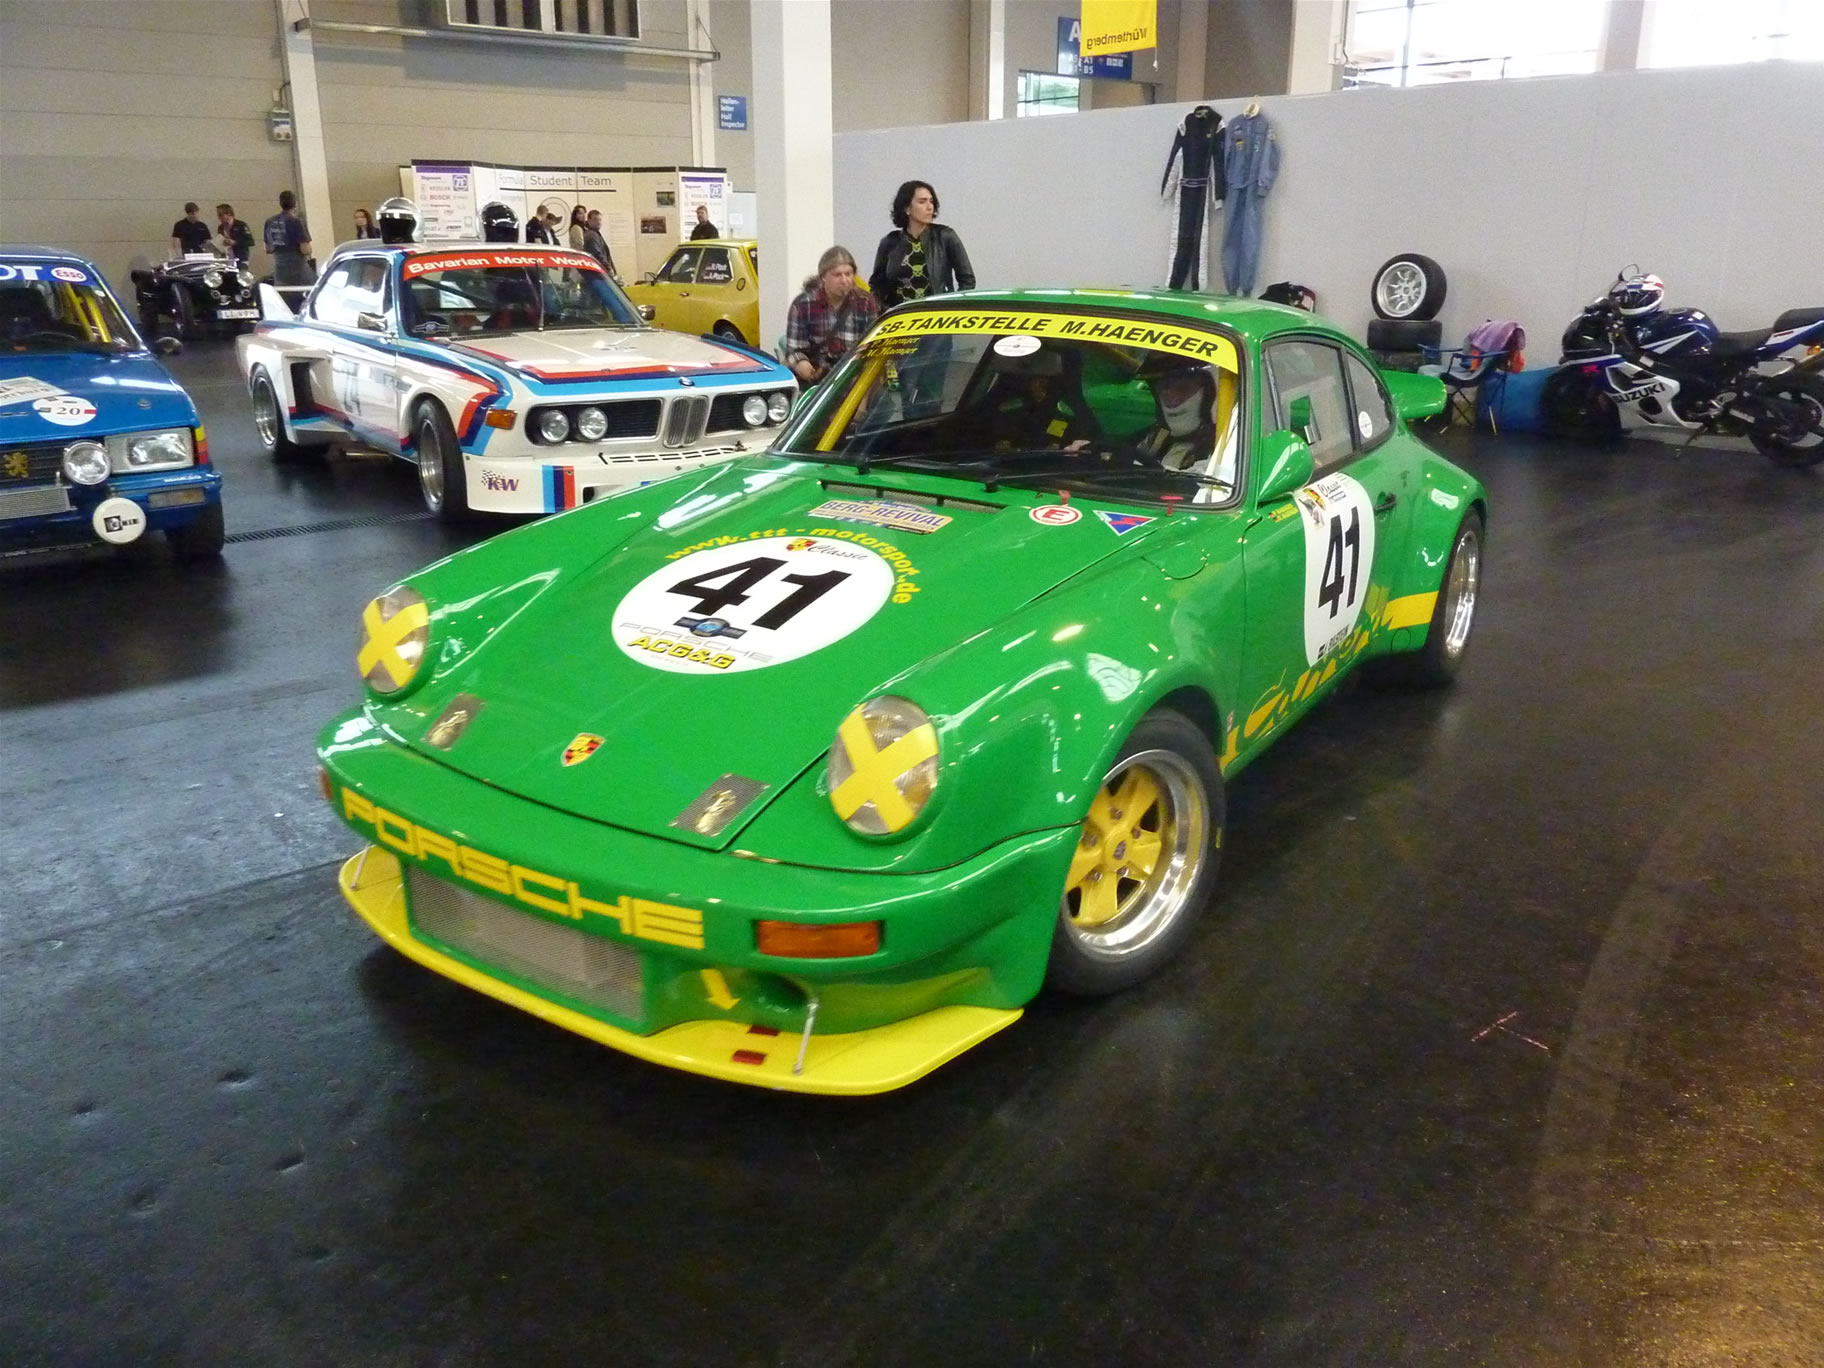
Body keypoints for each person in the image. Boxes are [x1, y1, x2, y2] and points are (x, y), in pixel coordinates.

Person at [869, 180, 974, 309]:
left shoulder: (945, 236)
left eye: (931, 201)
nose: (929, 207)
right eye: (922, 202)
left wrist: (953, 307)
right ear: (907, 208)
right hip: (899, 314)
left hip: (937, 313)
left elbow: (967, 279)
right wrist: (883, 310)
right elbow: (877, 285)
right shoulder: (890, 242)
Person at [784, 246, 879, 386]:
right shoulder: (803, 305)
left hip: (854, 378)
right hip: (817, 381)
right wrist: (807, 369)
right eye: (837, 275)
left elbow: (874, 347)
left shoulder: (866, 302)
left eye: (848, 274)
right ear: (823, 277)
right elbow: (794, 351)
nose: (844, 280)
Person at [262, 190, 314, 288]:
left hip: (279, 270)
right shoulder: (296, 221)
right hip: (298, 269)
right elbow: (305, 249)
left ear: (280, 203)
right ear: (295, 203)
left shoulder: (270, 221)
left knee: (283, 294)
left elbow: (267, 248)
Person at [581, 209, 616, 278]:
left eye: (600, 220)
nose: (598, 222)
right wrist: (608, 268)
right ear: (589, 220)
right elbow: (597, 254)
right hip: (598, 273)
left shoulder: (595, 234)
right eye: (595, 219)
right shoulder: (591, 235)